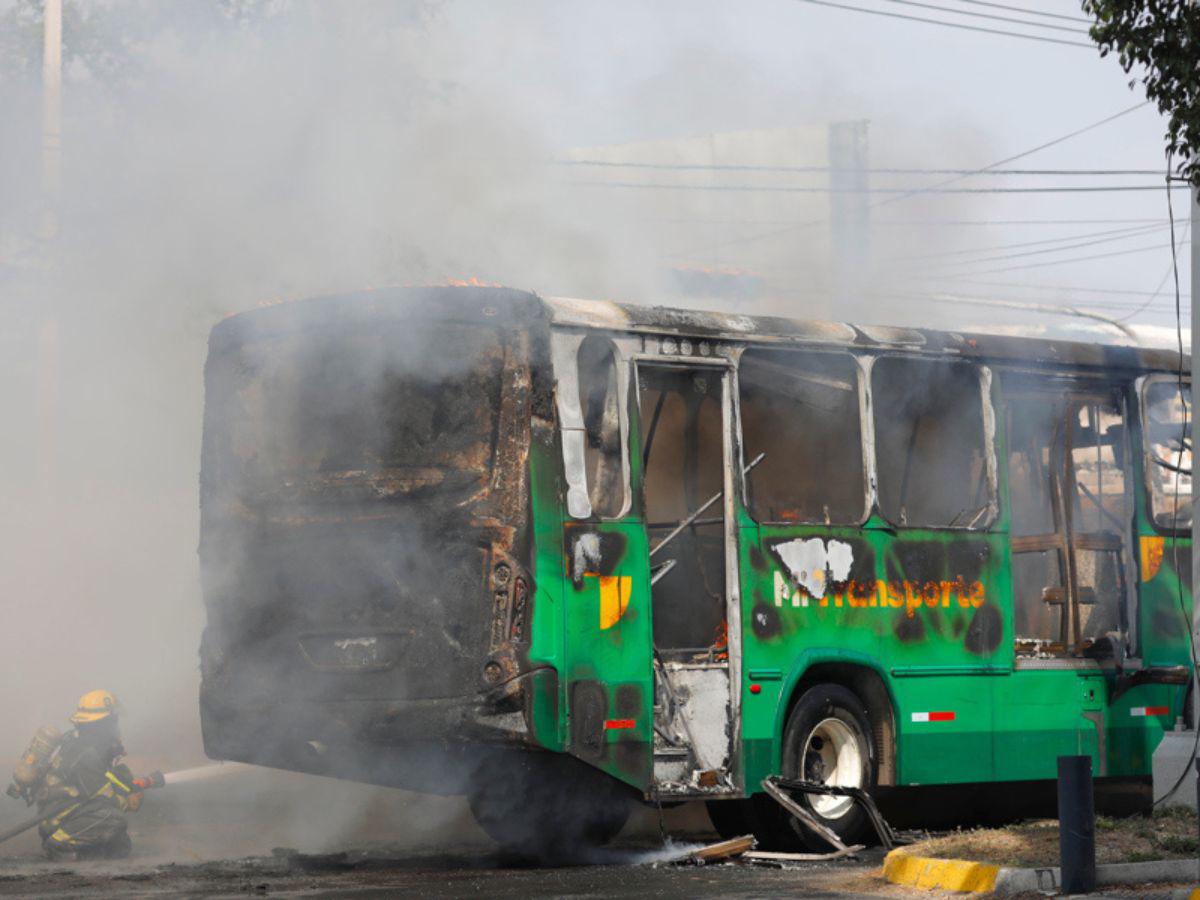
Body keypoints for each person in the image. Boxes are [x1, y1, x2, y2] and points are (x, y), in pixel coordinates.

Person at [11, 690, 152, 860]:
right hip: (59, 821)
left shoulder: (80, 743)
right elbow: (104, 797)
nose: (116, 725)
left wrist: (124, 779)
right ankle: (58, 844)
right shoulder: (86, 754)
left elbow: (101, 780)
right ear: (103, 723)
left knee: (120, 846)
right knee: (114, 819)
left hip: (66, 816)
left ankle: (75, 849)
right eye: (113, 720)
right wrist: (130, 801)